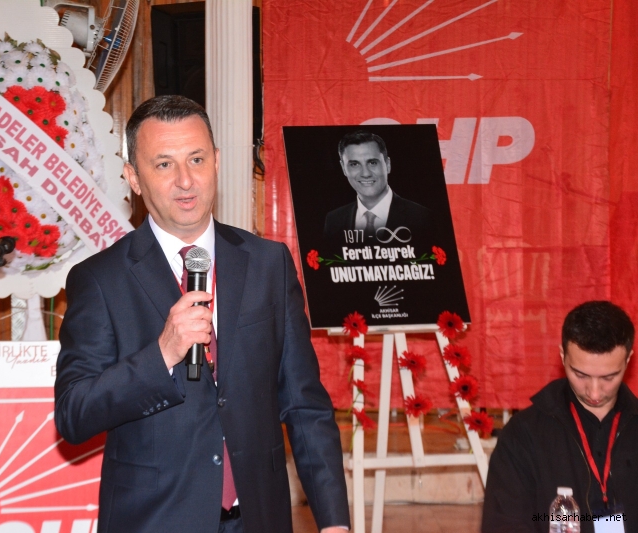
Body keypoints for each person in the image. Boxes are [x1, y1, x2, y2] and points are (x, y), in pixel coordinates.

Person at [54, 95, 350, 533]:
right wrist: (161, 354)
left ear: (216, 161)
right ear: (134, 178)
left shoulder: (268, 264)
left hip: (259, 519)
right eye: (164, 165)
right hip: (156, 521)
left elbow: (305, 405)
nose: (185, 180)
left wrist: (334, 522)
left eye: (196, 159)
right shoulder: (100, 280)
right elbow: (74, 414)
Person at [482, 300, 638, 533]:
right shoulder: (524, 434)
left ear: (628, 360)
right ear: (562, 355)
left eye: (609, 377)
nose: (594, 392)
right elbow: (503, 523)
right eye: (580, 375)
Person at [323, 130, 432, 246]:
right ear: (343, 168)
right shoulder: (334, 220)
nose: (365, 173)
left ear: (387, 164)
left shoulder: (421, 217)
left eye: (372, 163)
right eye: (354, 164)